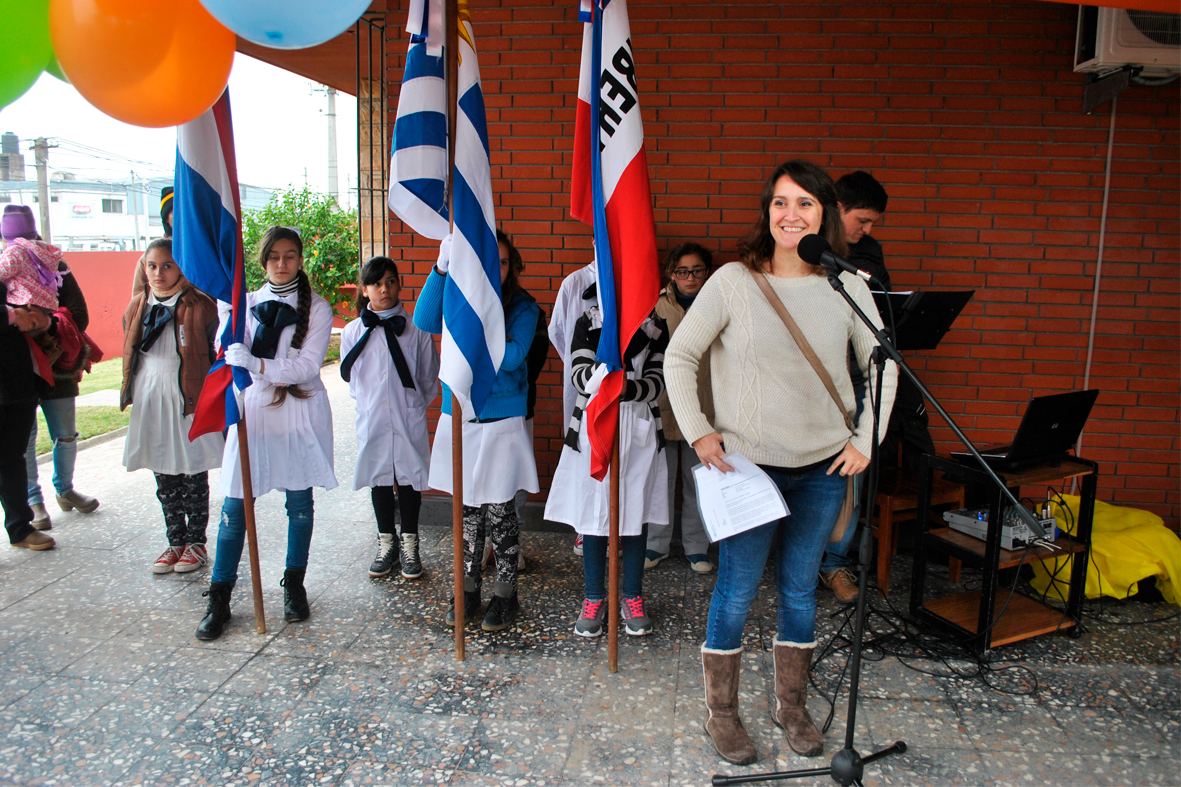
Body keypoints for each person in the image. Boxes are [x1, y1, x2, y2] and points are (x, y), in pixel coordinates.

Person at [665, 160, 897, 765]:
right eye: (780, 203)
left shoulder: (846, 285)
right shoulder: (733, 280)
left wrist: (866, 439)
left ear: (826, 218)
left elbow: (885, 363)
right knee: (736, 591)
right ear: (767, 212)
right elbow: (680, 357)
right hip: (748, 470)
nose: (790, 215)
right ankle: (723, 713)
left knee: (799, 590)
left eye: (805, 205)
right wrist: (699, 433)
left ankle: (790, 706)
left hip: (822, 470)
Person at [195, 226, 337, 641]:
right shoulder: (243, 303)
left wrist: (259, 366)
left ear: (300, 259)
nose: (281, 263)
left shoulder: (319, 308)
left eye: (290, 255)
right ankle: (219, 596)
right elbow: (227, 347)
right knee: (235, 508)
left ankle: (294, 584)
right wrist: (228, 318)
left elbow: (308, 365)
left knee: (299, 504)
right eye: (274, 256)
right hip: (253, 412)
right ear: (262, 260)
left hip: (298, 410)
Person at [415, 232, 540, 633]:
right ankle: (467, 587)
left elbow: (513, 355)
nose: (495, 269)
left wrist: (468, 330)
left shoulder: (523, 306)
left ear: (512, 266)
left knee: (501, 511)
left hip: (502, 421)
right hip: (460, 414)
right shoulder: (459, 297)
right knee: (467, 511)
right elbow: (424, 318)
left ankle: (506, 593)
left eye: (503, 262)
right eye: (488, 261)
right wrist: (442, 268)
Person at [544, 301, 669, 637]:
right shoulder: (589, 321)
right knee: (593, 516)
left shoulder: (656, 325)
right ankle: (594, 597)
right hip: (594, 424)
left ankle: (632, 595)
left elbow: (658, 380)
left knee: (636, 515)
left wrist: (626, 387)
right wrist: (609, 369)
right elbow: (580, 375)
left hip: (638, 425)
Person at [120, 238, 224, 573]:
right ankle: (174, 540)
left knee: (192, 467)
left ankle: (196, 542)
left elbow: (211, 351)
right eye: (152, 266)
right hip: (151, 391)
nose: (159, 273)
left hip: (186, 394)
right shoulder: (138, 305)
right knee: (163, 469)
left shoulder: (200, 305)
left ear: (180, 267)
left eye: (167, 265)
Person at [816, 170, 892, 604]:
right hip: (806, 382)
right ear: (837, 207)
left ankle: (834, 563)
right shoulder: (804, 245)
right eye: (862, 220)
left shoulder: (867, 253)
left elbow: (875, 302)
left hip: (852, 379)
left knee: (849, 475)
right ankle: (799, 564)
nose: (867, 231)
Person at [340, 255, 439, 581]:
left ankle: (410, 542)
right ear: (365, 289)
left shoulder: (416, 330)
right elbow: (353, 382)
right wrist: (374, 405)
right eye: (377, 283)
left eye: (390, 282)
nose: (384, 289)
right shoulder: (353, 332)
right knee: (378, 477)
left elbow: (428, 378)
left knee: (409, 478)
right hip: (372, 418)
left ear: (399, 284)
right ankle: (386, 543)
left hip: (407, 414)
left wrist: (410, 406)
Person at [6, 208, 100, 528]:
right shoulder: (5, 270)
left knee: (66, 434)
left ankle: (65, 489)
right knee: (25, 439)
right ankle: (34, 502)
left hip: (57, 363)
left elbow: (80, 313)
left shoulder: (55, 265)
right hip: (18, 369)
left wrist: (43, 321)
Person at [645, 242, 715, 574]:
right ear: (672, 273)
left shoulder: (717, 303)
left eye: (697, 270)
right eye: (682, 271)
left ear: (707, 272)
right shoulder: (657, 305)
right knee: (661, 480)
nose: (690, 277)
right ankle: (655, 545)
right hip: (662, 404)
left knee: (698, 480)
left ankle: (697, 547)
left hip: (703, 408)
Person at [1, 280, 56, 551]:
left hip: (17, 384)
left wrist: (39, 320)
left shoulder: (10, 270)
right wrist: (11, 315)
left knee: (12, 459)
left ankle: (21, 527)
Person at [547, 258, 596, 556]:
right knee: (583, 451)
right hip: (582, 385)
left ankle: (614, 526)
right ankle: (583, 528)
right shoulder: (574, 282)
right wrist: (577, 366)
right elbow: (558, 331)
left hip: (623, 386)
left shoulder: (630, 276)